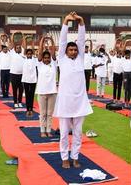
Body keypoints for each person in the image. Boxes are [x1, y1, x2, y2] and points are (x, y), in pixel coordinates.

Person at [53, 12, 93, 169]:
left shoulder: (81, 59)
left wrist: (81, 23)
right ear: (65, 52)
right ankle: (64, 157)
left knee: (77, 133)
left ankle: (75, 156)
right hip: (65, 103)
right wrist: (66, 23)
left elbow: (81, 42)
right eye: (71, 50)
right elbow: (62, 42)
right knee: (63, 133)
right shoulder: (61, 59)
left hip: (80, 103)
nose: (74, 52)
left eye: (75, 50)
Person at [36, 36, 57, 138]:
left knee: (49, 114)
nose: (47, 59)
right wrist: (43, 40)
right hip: (42, 92)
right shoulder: (40, 65)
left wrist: (52, 41)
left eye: (48, 57)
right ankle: (42, 130)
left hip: (52, 92)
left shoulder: (53, 65)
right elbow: (40, 52)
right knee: (42, 113)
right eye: (45, 58)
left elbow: (53, 52)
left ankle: (49, 130)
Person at [21, 48, 37, 116]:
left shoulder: (34, 60)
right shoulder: (24, 60)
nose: (29, 55)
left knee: (32, 95)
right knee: (27, 95)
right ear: (26, 54)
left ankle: (31, 108)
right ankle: (28, 109)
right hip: (26, 80)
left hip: (33, 80)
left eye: (30, 54)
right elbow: (23, 49)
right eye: (28, 54)